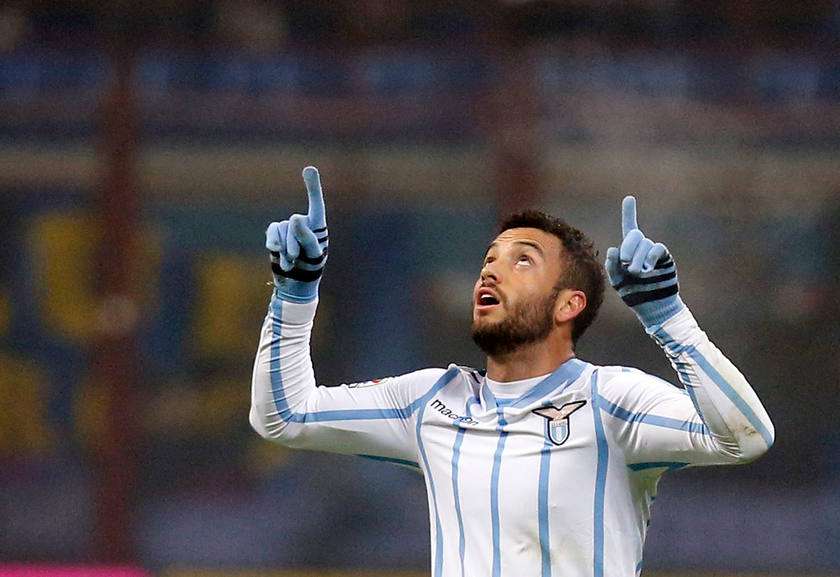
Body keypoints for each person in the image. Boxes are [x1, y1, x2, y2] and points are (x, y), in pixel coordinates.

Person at [250, 166, 774, 577]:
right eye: (489, 257)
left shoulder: (613, 400)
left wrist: (666, 316)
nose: (492, 268)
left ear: (569, 305)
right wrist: (295, 292)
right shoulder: (432, 400)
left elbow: (745, 438)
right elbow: (285, 416)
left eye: (522, 260)